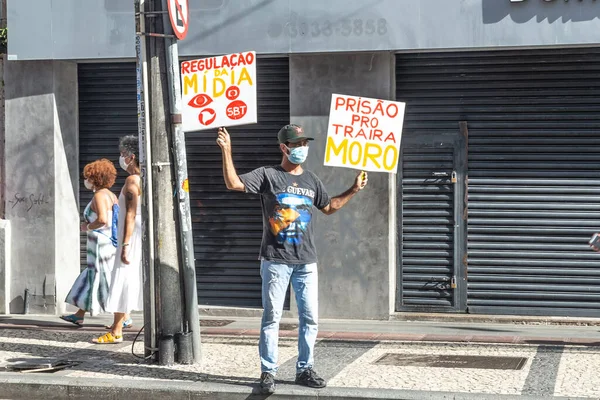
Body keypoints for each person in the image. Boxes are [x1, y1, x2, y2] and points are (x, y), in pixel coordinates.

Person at [216, 124, 368, 394]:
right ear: (284, 148)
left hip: (306, 262)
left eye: (304, 144)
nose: (302, 149)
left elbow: (329, 207)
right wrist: (227, 150)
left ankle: (305, 369)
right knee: (271, 317)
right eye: (296, 144)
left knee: (310, 318)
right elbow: (233, 183)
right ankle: (268, 372)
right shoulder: (268, 175)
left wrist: (353, 189)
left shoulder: (311, 180)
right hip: (275, 260)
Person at [61, 159, 125, 326]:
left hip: (99, 243)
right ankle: (79, 313)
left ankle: (123, 316)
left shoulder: (99, 196)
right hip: (108, 243)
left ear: (95, 178)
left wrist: (87, 226)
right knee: (92, 277)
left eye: (88, 177)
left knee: (103, 279)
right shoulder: (112, 196)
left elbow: (102, 219)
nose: (86, 180)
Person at [93, 136, 143, 344]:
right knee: (128, 278)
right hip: (135, 233)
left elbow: (130, 214)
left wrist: (124, 245)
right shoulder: (143, 179)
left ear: (131, 157)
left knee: (122, 277)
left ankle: (116, 331)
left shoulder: (132, 181)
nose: (120, 159)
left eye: (123, 155)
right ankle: (118, 327)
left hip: (130, 235)